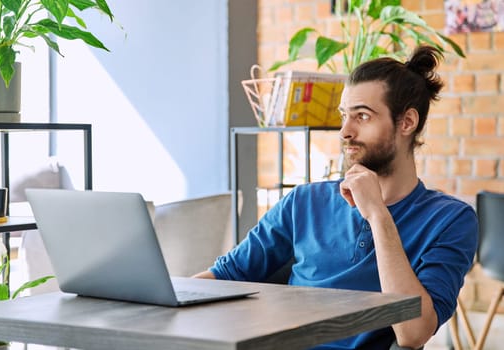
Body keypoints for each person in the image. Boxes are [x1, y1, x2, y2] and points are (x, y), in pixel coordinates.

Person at [194, 45, 478, 349]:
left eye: (362, 116)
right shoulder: (303, 202)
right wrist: (167, 296)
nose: (344, 131)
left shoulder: (451, 219)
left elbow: (414, 332)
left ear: (407, 122)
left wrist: (378, 216)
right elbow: (227, 274)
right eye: (344, 116)